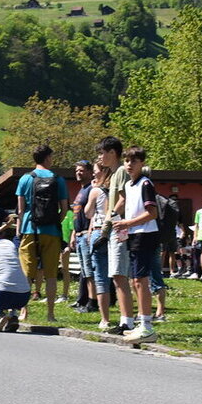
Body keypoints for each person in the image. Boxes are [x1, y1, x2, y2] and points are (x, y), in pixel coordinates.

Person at [15, 144, 69, 323]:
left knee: (26, 273)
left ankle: (24, 311)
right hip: (51, 230)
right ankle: (50, 314)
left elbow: (20, 210)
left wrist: (20, 229)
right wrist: (54, 222)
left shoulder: (25, 179)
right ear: (47, 158)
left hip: (29, 229)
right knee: (51, 275)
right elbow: (64, 209)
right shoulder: (58, 179)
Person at [114, 147, 159, 344]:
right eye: (127, 161)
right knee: (135, 281)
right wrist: (124, 230)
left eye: (134, 161)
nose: (129, 164)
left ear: (142, 163)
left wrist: (128, 224)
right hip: (133, 235)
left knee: (141, 281)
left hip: (145, 235)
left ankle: (147, 327)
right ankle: (141, 325)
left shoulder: (145, 183)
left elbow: (152, 213)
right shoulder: (129, 185)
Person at [98, 136, 135, 334]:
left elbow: (123, 200)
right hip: (115, 228)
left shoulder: (120, 171)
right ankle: (125, 320)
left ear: (112, 153)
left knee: (120, 275)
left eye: (102, 153)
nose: (100, 157)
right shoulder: (113, 174)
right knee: (117, 276)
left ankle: (127, 322)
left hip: (119, 229)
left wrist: (107, 225)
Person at [85, 161, 115, 331]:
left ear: (102, 172)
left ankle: (105, 319)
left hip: (99, 231)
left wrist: (92, 190)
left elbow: (88, 213)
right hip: (116, 232)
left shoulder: (96, 191)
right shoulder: (117, 190)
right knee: (120, 276)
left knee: (101, 277)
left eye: (95, 171)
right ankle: (128, 317)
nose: (93, 174)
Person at [70, 159, 97, 313]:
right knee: (85, 271)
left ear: (90, 172)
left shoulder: (91, 189)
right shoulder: (81, 190)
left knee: (90, 270)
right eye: (77, 171)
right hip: (79, 234)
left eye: (81, 170)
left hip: (87, 234)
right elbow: (77, 215)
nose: (78, 173)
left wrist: (89, 232)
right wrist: (74, 234)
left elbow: (93, 213)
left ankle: (92, 303)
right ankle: (84, 300)